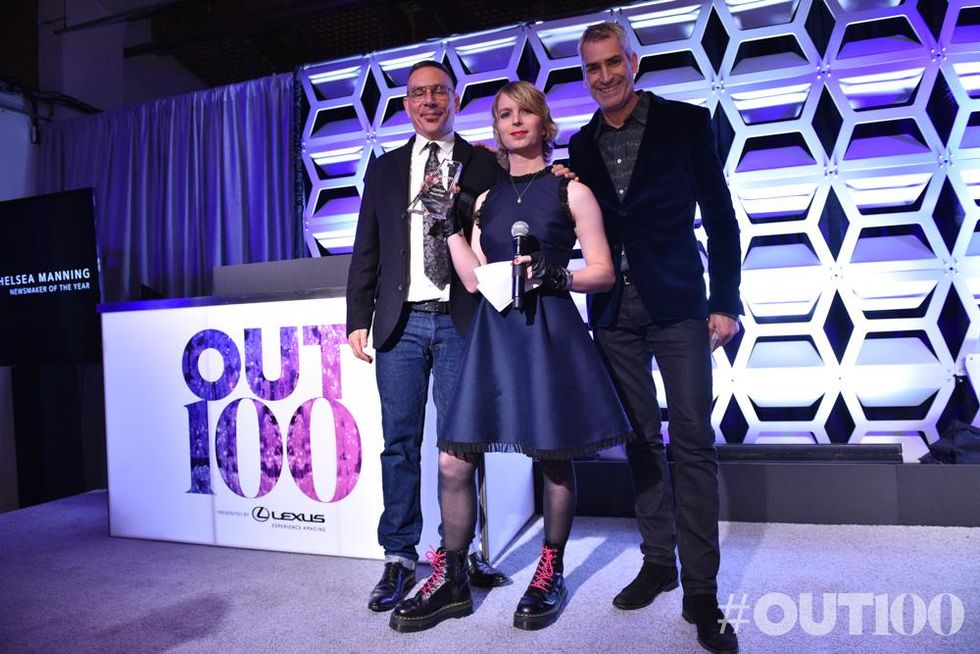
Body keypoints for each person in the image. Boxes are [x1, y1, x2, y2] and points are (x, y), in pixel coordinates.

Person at [389, 80, 632, 633]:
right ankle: (451, 577)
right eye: (503, 115)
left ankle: (550, 568)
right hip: (494, 336)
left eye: (524, 112)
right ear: (495, 128)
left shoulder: (573, 190)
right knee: (453, 458)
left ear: (543, 121)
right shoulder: (487, 198)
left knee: (552, 453)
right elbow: (474, 281)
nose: (514, 122)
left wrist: (557, 274)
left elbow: (602, 271)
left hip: (548, 333)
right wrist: (447, 227)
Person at [567, 22, 742, 654]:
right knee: (641, 442)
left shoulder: (686, 124)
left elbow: (721, 217)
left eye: (614, 63)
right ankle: (658, 562)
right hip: (613, 313)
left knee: (692, 441)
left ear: (633, 63)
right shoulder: (580, 147)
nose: (605, 76)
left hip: (679, 308)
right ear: (584, 74)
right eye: (593, 68)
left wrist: (725, 302)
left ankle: (702, 588)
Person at [346, 60, 509, 613]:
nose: (429, 100)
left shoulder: (484, 162)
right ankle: (398, 556)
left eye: (439, 90)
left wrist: (558, 175)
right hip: (400, 321)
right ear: (406, 105)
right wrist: (356, 318)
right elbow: (365, 247)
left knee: (462, 444)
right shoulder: (386, 169)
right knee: (400, 441)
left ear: (455, 98)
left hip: (462, 318)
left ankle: (459, 552)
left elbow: (516, 207)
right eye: (418, 93)